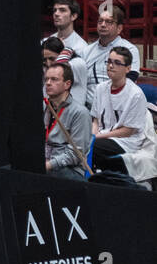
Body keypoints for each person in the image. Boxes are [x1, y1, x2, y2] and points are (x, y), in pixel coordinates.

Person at [90, 47, 157, 183]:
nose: (110, 66)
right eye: (109, 61)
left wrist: (95, 138)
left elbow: (128, 131)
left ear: (128, 69)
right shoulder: (100, 88)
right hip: (103, 136)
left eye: (117, 63)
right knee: (81, 142)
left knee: (94, 147)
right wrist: (92, 135)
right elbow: (96, 120)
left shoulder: (135, 94)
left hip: (127, 141)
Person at [44, 62, 91, 180]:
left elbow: (76, 154)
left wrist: (48, 165)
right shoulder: (44, 108)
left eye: (54, 79)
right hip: (45, 164)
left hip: (69, 170)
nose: (48, 83)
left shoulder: (80, 113)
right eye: (47, 79)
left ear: (67, 84)